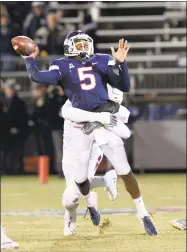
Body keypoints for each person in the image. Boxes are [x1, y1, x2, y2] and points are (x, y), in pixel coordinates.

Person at [22, 30, 157, 236]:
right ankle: (91, 202)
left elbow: (125, 85)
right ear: (69, 47)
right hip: (82, 126)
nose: (83, 48)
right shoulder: (62, 65)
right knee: (80, 179)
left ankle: (142, 211)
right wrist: (30, 60)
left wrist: (121, 63)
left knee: (124, 169)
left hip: (105, 120)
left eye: (86, 44)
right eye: (79, 44)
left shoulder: (101, 60)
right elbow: (36, 76)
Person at [61, 86, 129, 236]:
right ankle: (104, 182)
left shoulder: (112, 107)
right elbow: (68, 113)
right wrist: (97, 118)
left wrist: (108, 121)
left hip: (90, 152)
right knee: (71, 187)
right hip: (70, 150)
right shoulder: (75, 101)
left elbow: (124, 131)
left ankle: (76, 214)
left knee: (70, 196)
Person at [2, 79, 28, 174]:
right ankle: (6, 169)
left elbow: (22, 117)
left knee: (17, 152)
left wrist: (17, 128)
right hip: (4, 132)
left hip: (17, 131)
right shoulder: (3, 101)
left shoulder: (20, 103)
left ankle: (17, 170)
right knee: (5, 153)